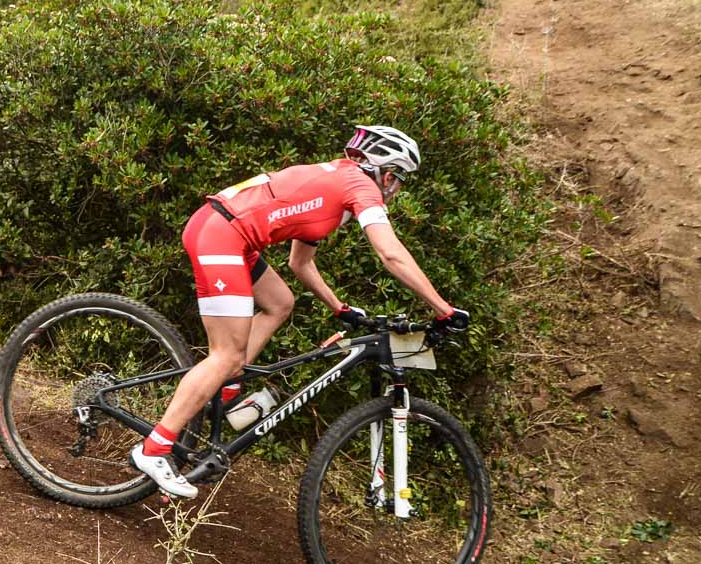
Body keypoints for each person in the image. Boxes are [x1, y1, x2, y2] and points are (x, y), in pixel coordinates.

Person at [127, 126, 468, 500]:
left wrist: (339, 308)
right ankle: (154, 449)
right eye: (400, 178)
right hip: (221, 234)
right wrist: (444, 310)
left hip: (228, 232)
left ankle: (223, 390)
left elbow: (300, 262)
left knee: (280, 303)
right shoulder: (360, 185)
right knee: (225, 354)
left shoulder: (336, 182)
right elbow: (390, 253)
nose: (398, 188)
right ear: (387, 173)